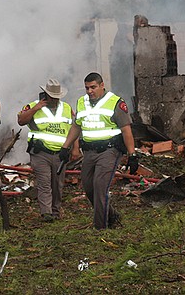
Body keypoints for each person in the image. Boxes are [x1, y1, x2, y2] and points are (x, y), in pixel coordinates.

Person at [60, 72, 138, 229]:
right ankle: (111, 214)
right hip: (89, 151)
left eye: (93, 87)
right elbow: (77, 126)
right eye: (87, 88)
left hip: (110, 150)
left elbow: (126, 130)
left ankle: (100, 227)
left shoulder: (115, 102)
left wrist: (132, 154)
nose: (90, 91)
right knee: (89, 187)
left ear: (102, 85)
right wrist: (65, 146)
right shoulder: (82, 102)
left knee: (100, 186)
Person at [17, 79, 77, 222]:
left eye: (57, 98)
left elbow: (74, 129)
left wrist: (75, 148)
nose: (54, 100)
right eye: (52, 97)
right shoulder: (32, 106)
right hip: (40, 153)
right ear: (45, 95)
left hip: (60, 154)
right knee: (44, 183)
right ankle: (46, 213)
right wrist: (35, 109)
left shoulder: (67, 108)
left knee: (57, 185)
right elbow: (21, 121)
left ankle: (56, 212)